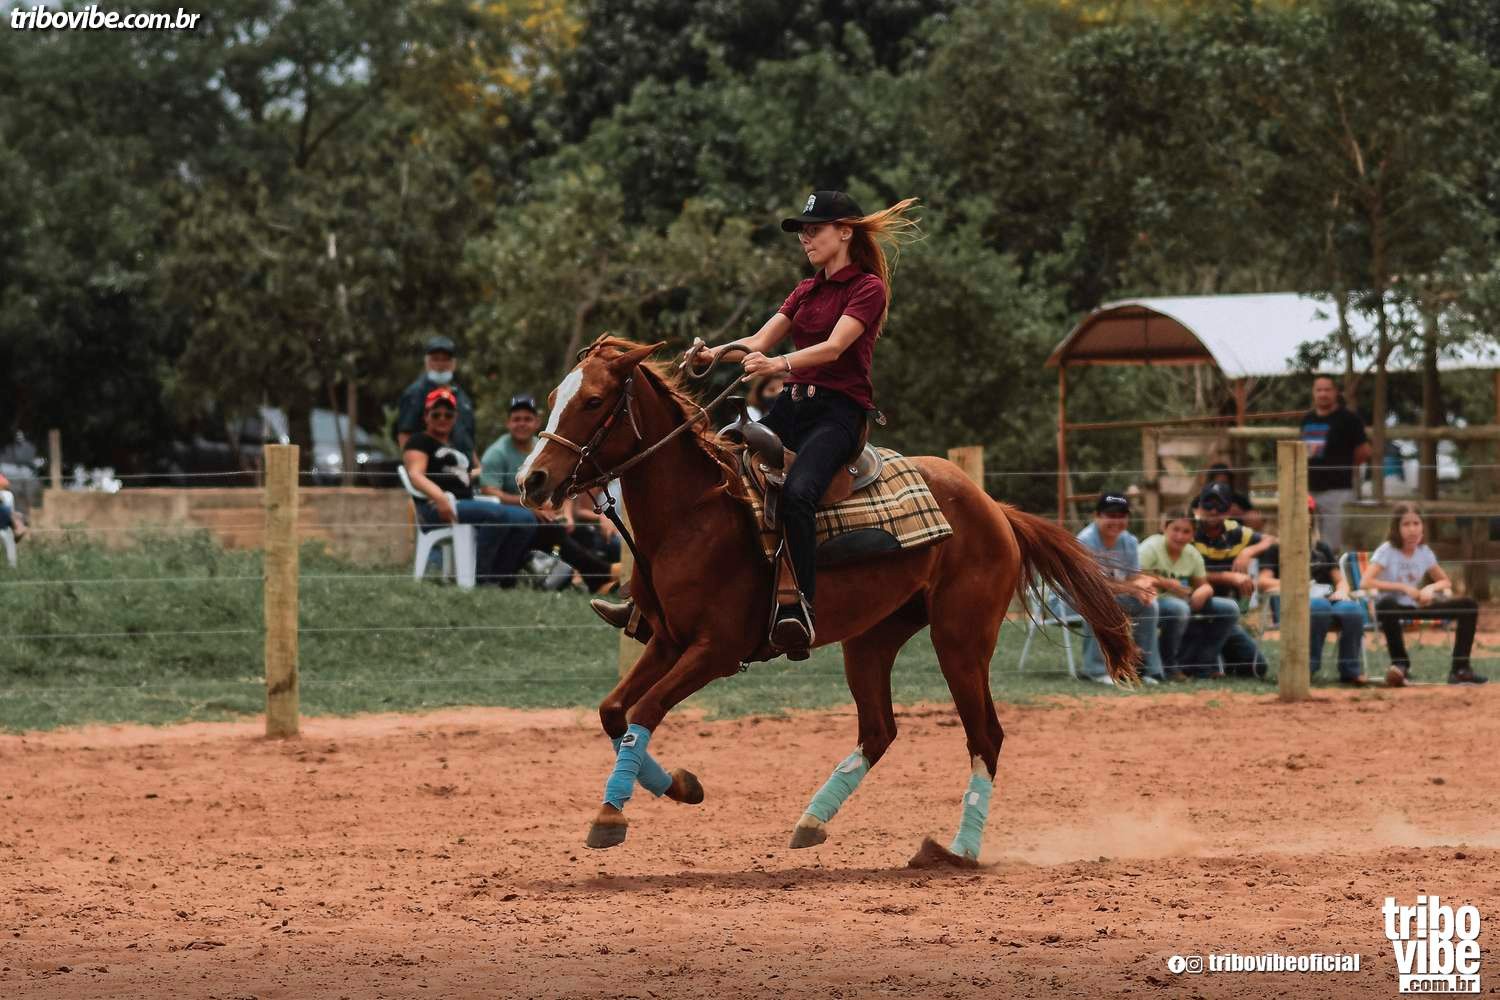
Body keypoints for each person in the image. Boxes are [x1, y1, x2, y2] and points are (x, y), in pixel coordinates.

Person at [594, 190, 921, 655]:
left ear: (845, 232)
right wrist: (714, 354)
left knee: (799, 494)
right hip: (792, 409)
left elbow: (834, 348)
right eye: (803, 232)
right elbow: (760, 339)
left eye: (815, 230)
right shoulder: (806, 289)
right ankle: (647, 602)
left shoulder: (867, 288)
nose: (805, 239)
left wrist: (778, 365)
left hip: (838, 414)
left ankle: (800, 606)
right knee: (713, 469)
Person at [477, 394, 616, 592]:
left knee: (581, 532)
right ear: (508, 423)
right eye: (516, 419)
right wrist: (529, 506)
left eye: (527, 419)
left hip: (547, 515)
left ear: (537, 422)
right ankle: (603, 573)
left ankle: (596, 582)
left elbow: (566, 484)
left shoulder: (544, 448)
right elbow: (490, 493)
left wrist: (566, 514)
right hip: (516, 519)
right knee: (553, 531)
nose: (522, 424)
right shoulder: (497, 452)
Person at [402, 388, 536, 586]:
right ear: (426, 416)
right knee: (496, 514)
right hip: (435, 507)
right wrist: (440, 497)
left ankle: (502, 577)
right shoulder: (419, 441)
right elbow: (415, 475)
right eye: (436, 414)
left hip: (466, 503)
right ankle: (482, 579)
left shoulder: (458, 443)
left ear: (455, 417)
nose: (442, 418)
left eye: (448, 414)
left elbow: (475, 470)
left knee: (527, 519)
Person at [1363, 503, 1486, 686]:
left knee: (1468, 605)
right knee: (1387, 604)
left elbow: (1445, 581)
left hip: (1416, 605)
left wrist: (1430, 588)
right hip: (1390, 609)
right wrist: (1402, 587)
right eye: (1406, 524)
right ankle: (1400, 666)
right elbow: (1365, 582)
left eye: (1416, 523)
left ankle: (1460, 670)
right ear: (1396, 528)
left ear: (1422, 526)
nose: (1412, 529)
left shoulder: (1424, 552)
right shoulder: (1387, 550)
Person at [1256, 497, 1368, 685]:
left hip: (1328, 598)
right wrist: (1295, 586)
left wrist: (1342, 591)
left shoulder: (1322, 548)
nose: (1302, 516)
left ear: (1311, 517)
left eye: (1306, 512)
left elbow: (1341, 581)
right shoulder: (1276, 549)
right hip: (1294, 603)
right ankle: (1307, 668)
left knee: (1353, 611)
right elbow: (1263, 581)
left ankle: (1350, 671)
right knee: (1319, 606)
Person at [1072, 492, 1163, 685]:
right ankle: (1097, 670)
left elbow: (1133, 577)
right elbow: (1094, 586)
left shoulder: (1129, 541)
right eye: (1111, 515)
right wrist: (1133, 587)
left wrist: (1143, 589)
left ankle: (1143, 669)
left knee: (1149, 606)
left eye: (1122, 516)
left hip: (1112, 596)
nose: (1117, 521)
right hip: (1075, 599)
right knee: (1099, 603)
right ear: (1097, 516)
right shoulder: (1085, 540)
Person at [1139, 510, 1239, 680]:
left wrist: (1204, 591)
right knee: (1179, 608)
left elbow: (1203, 584)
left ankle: (1203, 665)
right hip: (1152, 603)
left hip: (1185, 602)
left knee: (1230, 608)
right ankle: (1169, 667)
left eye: (1186, 531)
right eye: (1175, 529)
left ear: (1193, 535)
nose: (1180, 536)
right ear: (1164, 528)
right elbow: (1134, 575)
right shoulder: (1150, 547)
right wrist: (1166, 583)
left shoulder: (1192, 554)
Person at [1192, 482, 1275, 677]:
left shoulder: (1237, 532)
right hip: (1195, 608)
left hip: (1227, 615)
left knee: (1256, 667)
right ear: (1198, 507)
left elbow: (1270, 539)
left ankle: (1220, 658)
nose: (1213, 511)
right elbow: (1186, 573)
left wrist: (1248, 551)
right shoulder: (1187, 530)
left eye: (1220, 506)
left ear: (1229, 510)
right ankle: (1206, 663)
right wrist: (1228, 577)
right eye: (1208, 504)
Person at [1301, 375, 1371, 552]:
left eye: (1327, 390)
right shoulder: (1307, 419)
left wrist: (1343, 466)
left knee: (1334, 544)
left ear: (1336, 392)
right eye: (1319, 390)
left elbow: (1364, 451)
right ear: (1313, 393)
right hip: (1309, 489)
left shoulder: (1349, 419)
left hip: (1338, 490)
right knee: (1304, 540)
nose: (1323, 394)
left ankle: (1333, 569)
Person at [396, 336, 477, 457]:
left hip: (463, 463)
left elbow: (468, 438)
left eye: (445, 359)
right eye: (435, 359)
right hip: (430, 464)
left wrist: (476, 465)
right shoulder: (415, 393)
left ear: (453, 363)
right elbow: (405, 434)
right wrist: (413, 465)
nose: (440, 364)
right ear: (427, 362)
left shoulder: (462, 397)